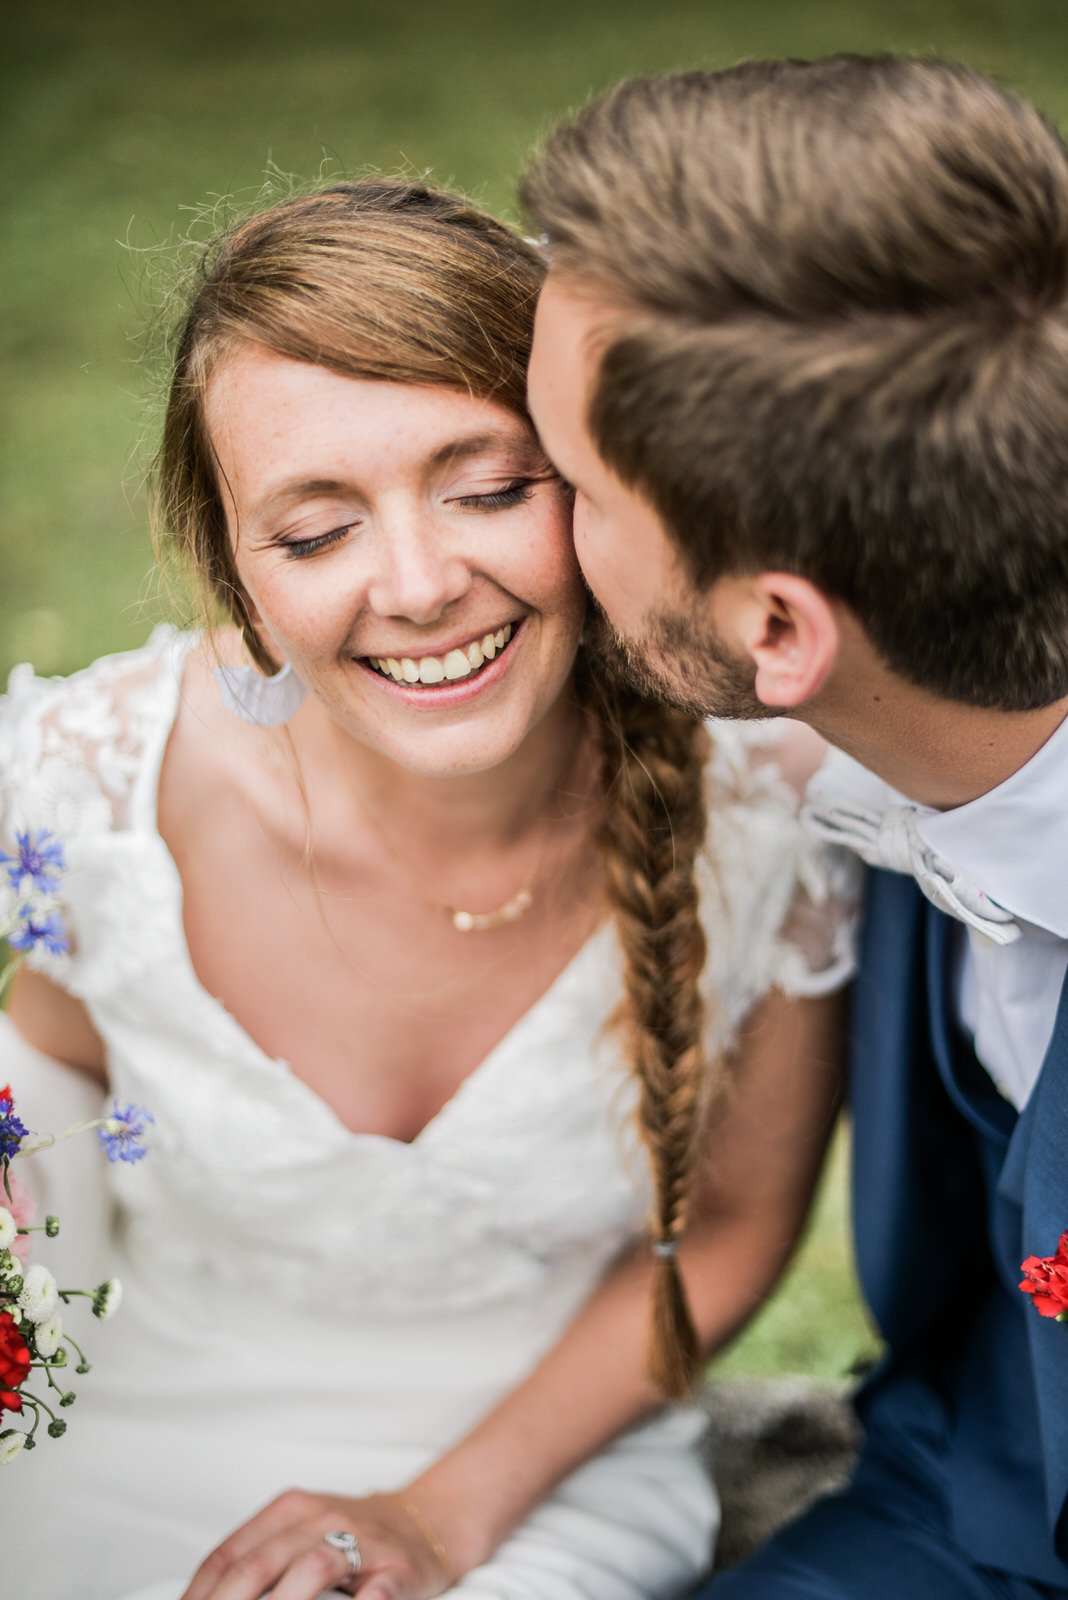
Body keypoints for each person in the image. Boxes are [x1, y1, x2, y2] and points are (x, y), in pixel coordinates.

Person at [0, 178, 854, 1600]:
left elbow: (738, 1229)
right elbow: (58, 1063)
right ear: (234, 572)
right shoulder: (99, 791)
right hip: (125, 1417)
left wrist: (439, 1517)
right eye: (317, 531)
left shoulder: (766, 821)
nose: (416, 583)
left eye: (488, 490)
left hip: (544, 1468)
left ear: (595, 489)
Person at [522, 51, 1068, 1600]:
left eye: (567, 481)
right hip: (958, 1498)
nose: (531, 533)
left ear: (778, 632)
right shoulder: (904, 705)